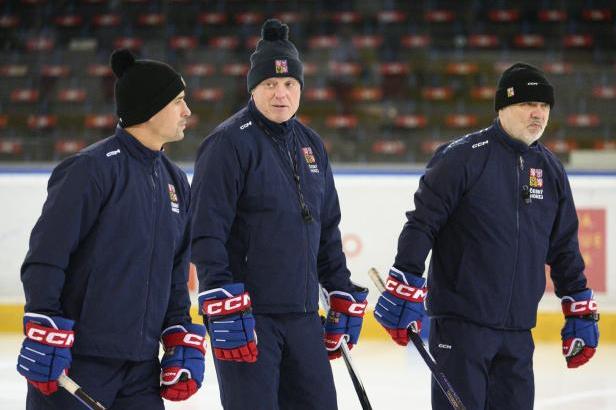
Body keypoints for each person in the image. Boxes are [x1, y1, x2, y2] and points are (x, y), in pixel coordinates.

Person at [374, 63, 600, 409]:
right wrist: (405, 281)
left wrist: (579, 308)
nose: (538, 113)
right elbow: (422, 223)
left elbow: (564, 247)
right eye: (528, 104)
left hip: (518, 334)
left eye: (544, 106)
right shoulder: (462, 157)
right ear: (503, 107)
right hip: (462, 330)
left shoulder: (551, 171)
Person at [191, 19, 368, 410]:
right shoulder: (226, 144)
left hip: (304, 318)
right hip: (248, 320)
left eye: (290, 84)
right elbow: (205, 231)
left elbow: (326, 229)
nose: (281, 94)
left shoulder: (311, 145)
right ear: (253, 88)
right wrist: (220, 298)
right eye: (270, 84)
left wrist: (338, 288)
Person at [17, 49, 206, 409]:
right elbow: (46, 257)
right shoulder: (90, 170)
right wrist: (44, 326)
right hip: (76, 365)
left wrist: (179, 333)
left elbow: (174, 275)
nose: (187, 112)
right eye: (179, 101)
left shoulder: (175, 181)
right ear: (151, 106)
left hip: (141, 371)